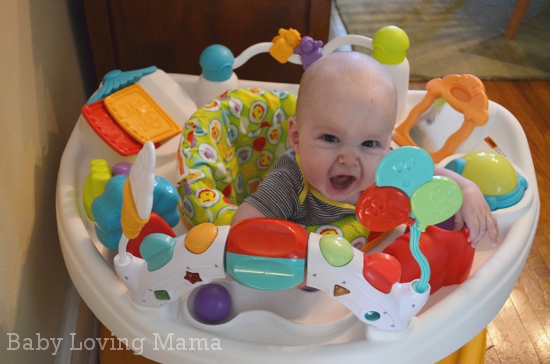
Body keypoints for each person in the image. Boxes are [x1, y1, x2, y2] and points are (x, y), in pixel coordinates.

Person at [231, 51, 498, 248]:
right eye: (330, 138)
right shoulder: (290, 180)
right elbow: (245, 224)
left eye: (369, 144)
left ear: (385, 146)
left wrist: (467, 189)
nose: (348, 159)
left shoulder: (387, 168)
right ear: (297, 138)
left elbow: (432, 175)